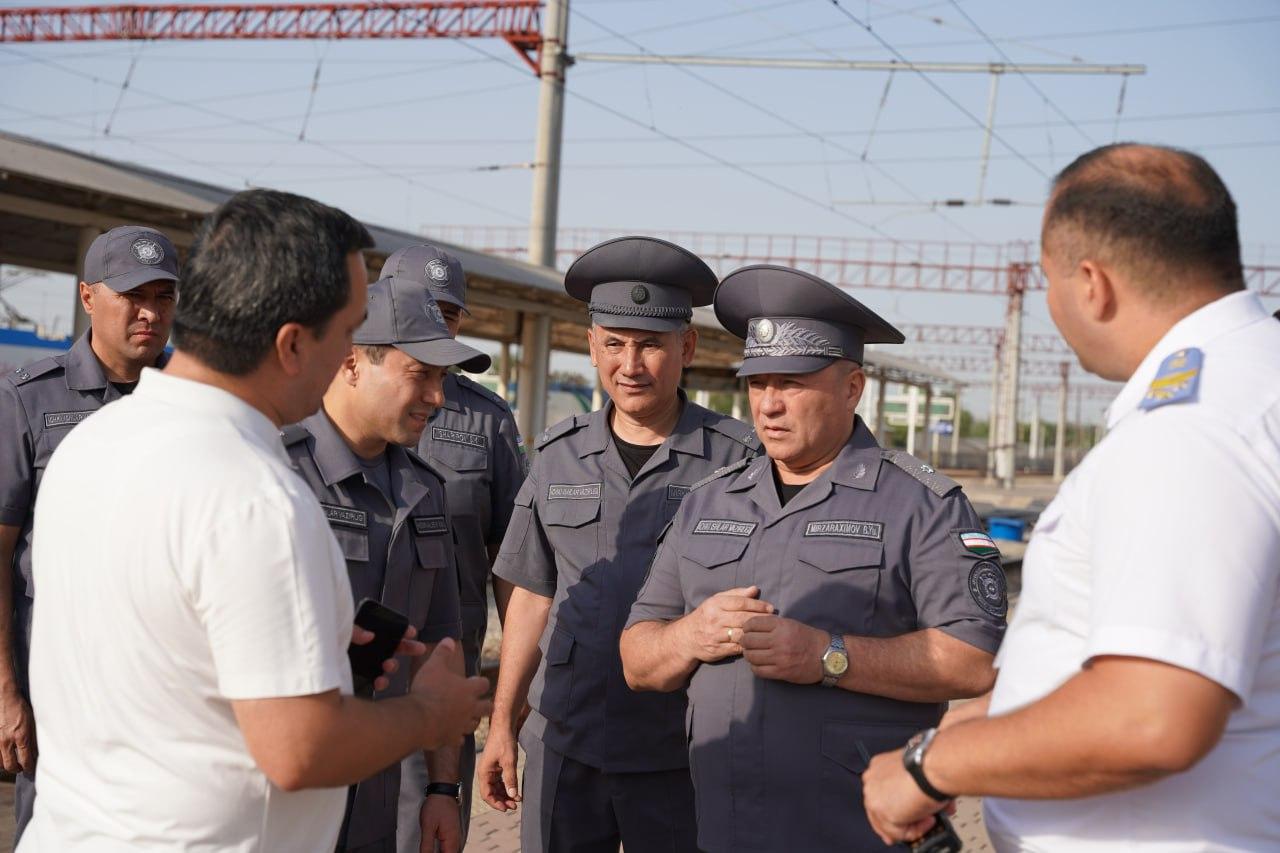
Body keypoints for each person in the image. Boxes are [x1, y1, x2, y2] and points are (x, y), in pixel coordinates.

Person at [20, 189, 490, 852]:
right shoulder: (258, 499)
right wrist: (427, 714)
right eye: (349, 331)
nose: (348, 359)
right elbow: (301, 750)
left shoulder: (94, 444)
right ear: (294, 344)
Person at [860, 143, 1280, 851]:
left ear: (1092, 283)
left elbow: (1149, 716)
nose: (1051, 302)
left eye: (1050, 280)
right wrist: (974, 725)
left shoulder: (1188, 429)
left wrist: (929, 767)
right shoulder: (1251, 382)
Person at [620, 264, 1005, 852]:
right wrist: (691, 635)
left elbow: (973, 663)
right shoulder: (708, 501)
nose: (769, 406)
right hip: (723, 828)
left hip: (858, 834)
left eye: (792, 383)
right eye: (757, 383)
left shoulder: (920, 505)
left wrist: (829, 657)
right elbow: (636, 657)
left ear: (852, 387)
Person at [478, 236, 760, 852]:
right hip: (567, 742)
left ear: (686, 347)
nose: (630, 365)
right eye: (614, 344)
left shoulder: (742, 463)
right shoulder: (556, 455)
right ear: (591, 346)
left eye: (650, 345)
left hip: (684, 749)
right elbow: (531, 594)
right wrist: (503, 722)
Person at [283, 274, 494, 853]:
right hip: (286, 790)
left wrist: (444, 788)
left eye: (442, 378)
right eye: (420, 375)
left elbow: (441, 644)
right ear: (352, 363)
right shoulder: (277, 473)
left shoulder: (424, 489)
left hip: (382, 790)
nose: (438, 397)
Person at [0, 225, 178, 846]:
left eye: (164, 296)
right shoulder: (28, 400)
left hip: (167, 697)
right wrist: (7, 694)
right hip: (61, 694)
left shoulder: (193, 401)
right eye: (133, 295)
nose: (150, 313)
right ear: (87, 297)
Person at [381, 245, 526, 853]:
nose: (439, 325)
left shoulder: (489, 422)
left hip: (445, 670)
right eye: (423, 309)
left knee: (432, 827)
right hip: (347, 676)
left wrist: (509, 703)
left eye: (451, 314)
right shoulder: (327, 404)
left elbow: (515, 562)